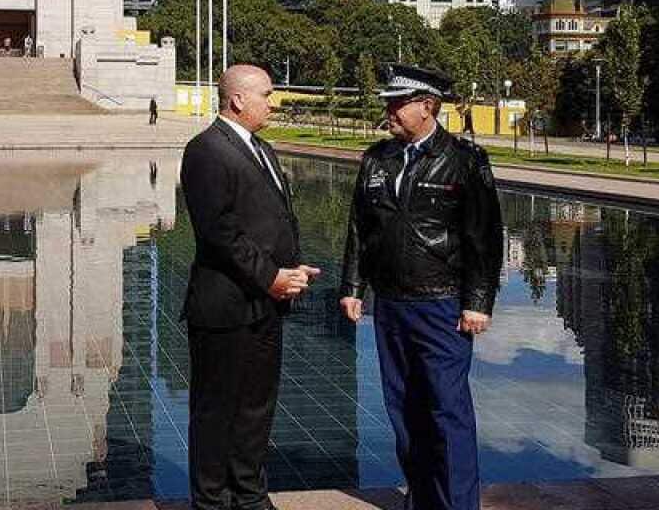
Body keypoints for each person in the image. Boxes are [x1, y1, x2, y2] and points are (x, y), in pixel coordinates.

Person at [338, 65, 503, 510]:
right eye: (389, 102)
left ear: (427, 106)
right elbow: (360, 228)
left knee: (447, 411)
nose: (388, 110)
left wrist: (478, 302)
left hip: (443, 304)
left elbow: (485, 236)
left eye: (397, 102)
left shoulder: (466, 160)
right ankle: (423, 499)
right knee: (403, 409)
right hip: (390, 305)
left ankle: (457, 505)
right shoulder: (377, 159)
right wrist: (353, 286)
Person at [180, 64, 320, 510]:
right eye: (266, 93)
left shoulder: (262, 148)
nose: (272, 102)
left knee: (257, 408)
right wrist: (271, 276)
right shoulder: (205, 150)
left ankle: (249, 493)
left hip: (265, 304)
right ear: (238, 99)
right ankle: (212, 500)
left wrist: (290, 270)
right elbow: (219, 232)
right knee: (216, 409)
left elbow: (269, 221)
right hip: (224, 306)